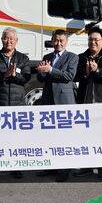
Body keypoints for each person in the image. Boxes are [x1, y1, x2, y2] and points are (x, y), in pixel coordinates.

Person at [72, 26, 102, 181]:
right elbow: (75, 77)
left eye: (96, 40)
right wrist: (85, 73)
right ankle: (86, 167)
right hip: (84, 101)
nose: (93, 42)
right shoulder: (81, 57)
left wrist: (97, 70)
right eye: (90, 39)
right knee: (85, 137)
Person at [0, 27, 31, 180]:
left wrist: (14, 75)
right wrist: (5, 74)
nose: (9, 41)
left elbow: (26, 78)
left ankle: (15, 167)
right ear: (2, 40)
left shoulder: (23, 58)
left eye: (12, 38)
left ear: (16, 41)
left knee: (16, 138)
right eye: (6, 38)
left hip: (17, 104)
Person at [36, 29, 78, 182]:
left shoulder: (72, 57)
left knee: (65, 138)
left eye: (61, 40)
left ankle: (65, 169)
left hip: (64, 102)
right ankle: (50, 166)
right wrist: (41, 71)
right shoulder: (47, 57)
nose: (58, 43)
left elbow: (69, 76)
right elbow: (41, 78)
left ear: (66, 42)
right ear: (52, 41)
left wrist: (51, 70)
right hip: (48, 100)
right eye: (56, 40)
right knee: (49, 136)